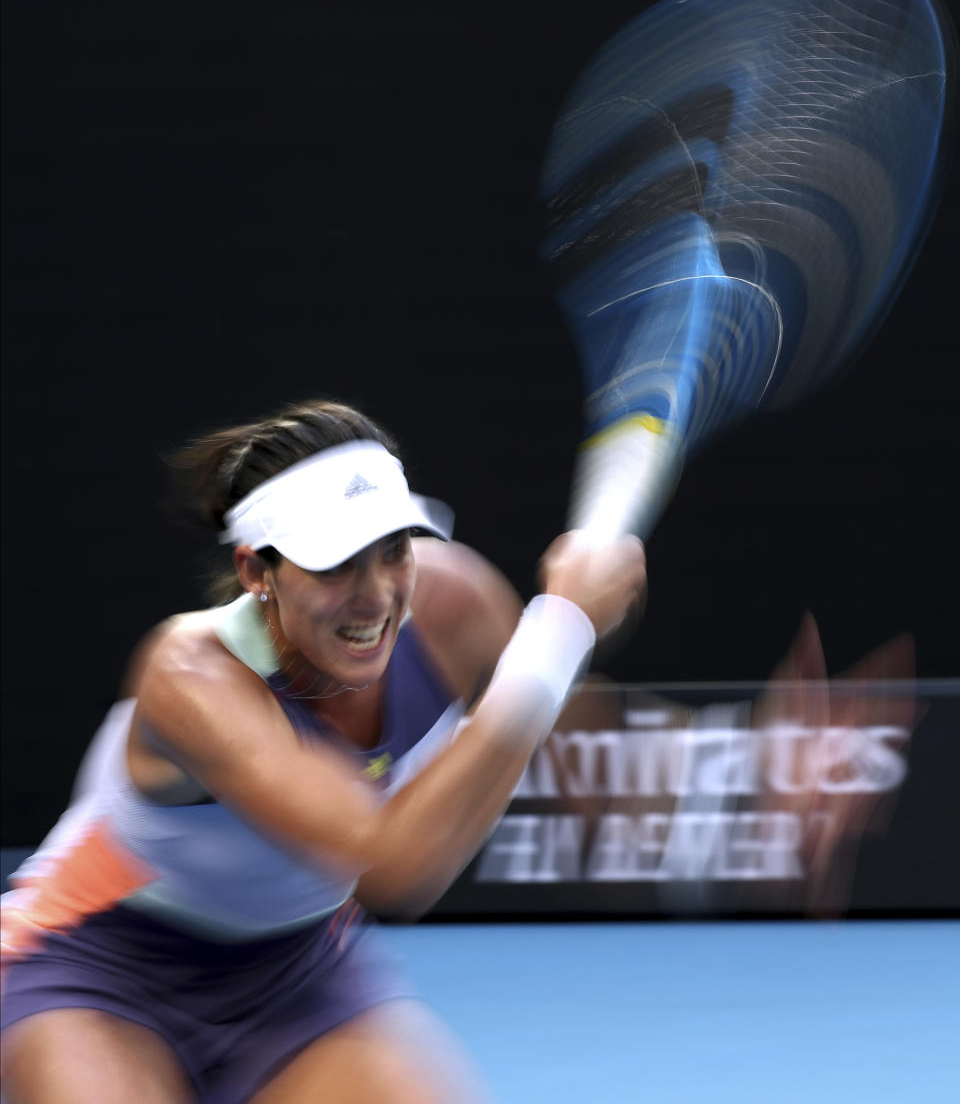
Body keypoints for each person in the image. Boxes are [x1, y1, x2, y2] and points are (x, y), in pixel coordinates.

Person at [0, 398, 647, 1104]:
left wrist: (585, 615)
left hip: (296, 974)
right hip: (96, 964)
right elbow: (393, 869)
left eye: (394, 550)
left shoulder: (453, 605)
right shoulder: (190, 674)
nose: (375, 597)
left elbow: (566, 707)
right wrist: (561, 628)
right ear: (256, 573)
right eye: (336, 564)